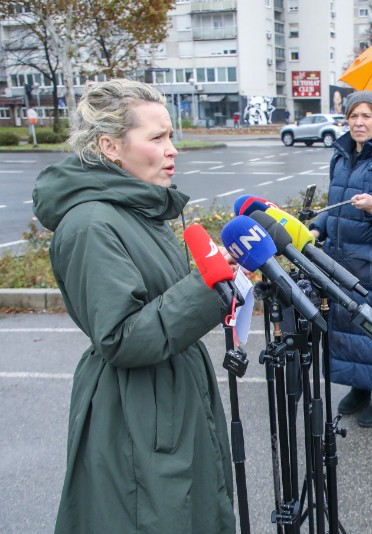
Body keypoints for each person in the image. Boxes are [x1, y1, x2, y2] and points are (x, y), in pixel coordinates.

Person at [31, 79, 236, 532]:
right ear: (110, 146)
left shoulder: (137, 209)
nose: (172, 149)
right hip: (134, 411)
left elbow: (162, 302)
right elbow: (122, 337)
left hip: (168, 394)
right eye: (157, 137)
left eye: (171, 136)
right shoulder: (91, 224)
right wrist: (206, 285)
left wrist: (218, 268)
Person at [308, 90, 372, 428]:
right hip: (344, 263)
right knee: (351, 327)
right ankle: (360, 388)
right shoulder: (341, 155)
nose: (358, 122)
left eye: (366, 116)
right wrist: (316, 229)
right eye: (353, 116)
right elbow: (335, 204)